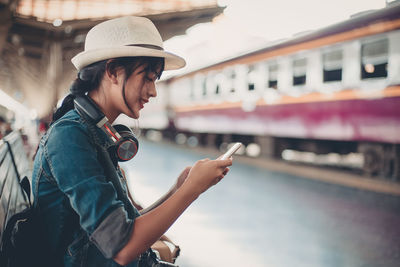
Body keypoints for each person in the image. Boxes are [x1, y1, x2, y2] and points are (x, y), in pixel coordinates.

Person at [31, 16, 232, 267]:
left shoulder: (91, 131)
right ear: (113, 71)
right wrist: (192, 191)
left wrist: (178, 189)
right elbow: (123, 247)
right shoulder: (70, 138)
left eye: (155, 80)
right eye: (147, 78)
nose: (153, 91)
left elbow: (124, 226)